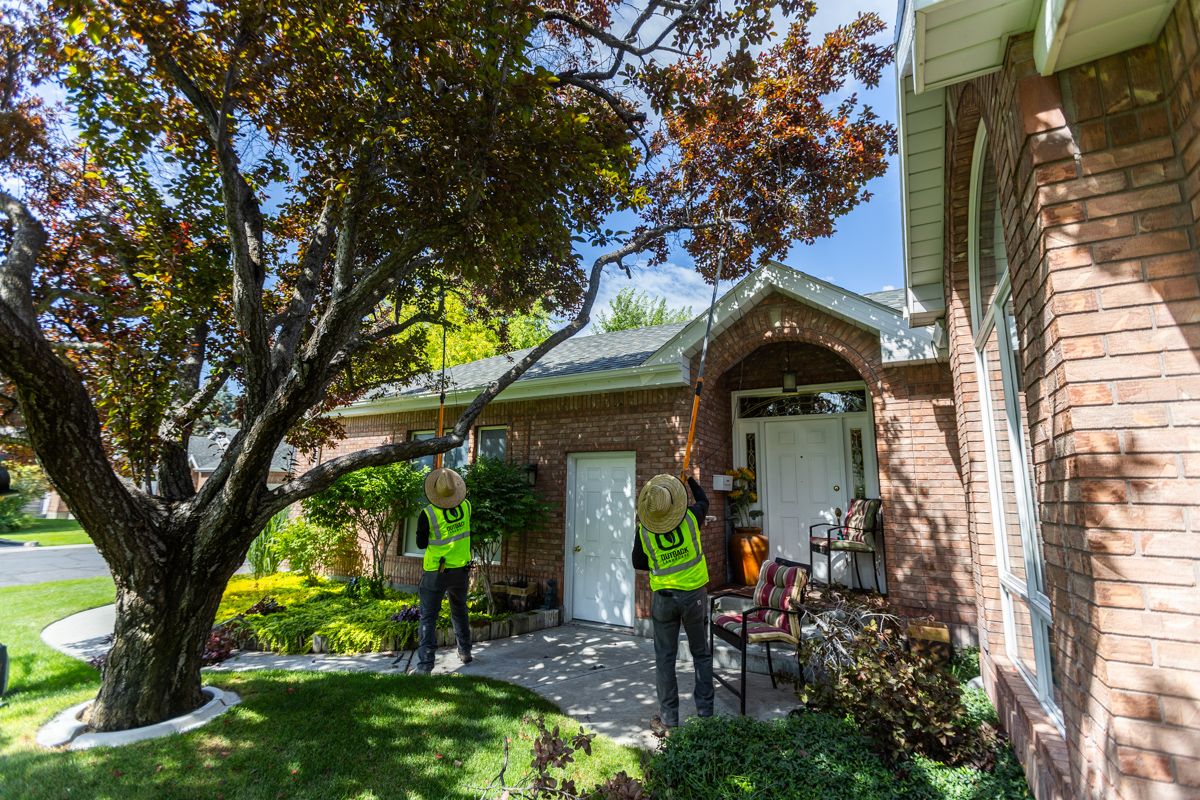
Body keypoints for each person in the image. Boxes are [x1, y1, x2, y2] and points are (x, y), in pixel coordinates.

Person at [632, 472, 713, 736]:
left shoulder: (644, 530)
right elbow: (703, 500)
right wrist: (689, 480)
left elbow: (638, 563)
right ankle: (706, 716)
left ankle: (669, 721)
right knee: (700, 654)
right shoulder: (691, 517)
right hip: (694, 597)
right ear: (674, 503)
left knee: (665, 659)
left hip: (664, 600)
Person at [413, 467, 474, 674]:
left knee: (428, 617)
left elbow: (421, 544)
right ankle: (465, 652)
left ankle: (424, 666)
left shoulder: (428, 513)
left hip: (436, 573)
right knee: (459, 609)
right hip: (461, 571)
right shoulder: (466, 506)